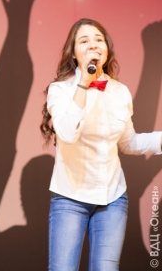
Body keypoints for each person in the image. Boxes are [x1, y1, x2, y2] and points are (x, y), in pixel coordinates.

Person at [40, 18, 162, 270]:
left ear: (107, 49)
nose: (93, 45)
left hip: (112, 198)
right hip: (70, 198)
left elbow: (128, 142)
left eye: (99, 40)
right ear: (73, 53)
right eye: (84, 41)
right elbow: (67, 134)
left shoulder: (119, 92)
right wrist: (84, 83)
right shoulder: (60, 90)